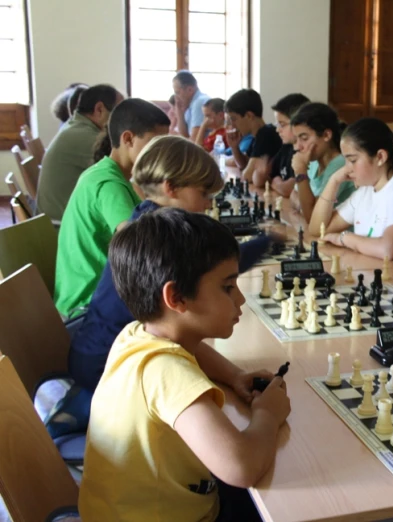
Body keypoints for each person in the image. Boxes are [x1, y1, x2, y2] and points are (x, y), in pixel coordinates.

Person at [47, 136, 283, 437]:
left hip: (91, 350)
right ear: (171, 188)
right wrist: (270, 241)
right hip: (104, 364)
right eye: (203, 193)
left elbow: (183, 339)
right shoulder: (167, 244)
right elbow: (226, 261)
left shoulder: (144, 224)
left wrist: (235, 375)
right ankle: (85, 408)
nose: (209, 203)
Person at [78, 208, 290, 521]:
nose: (240, 299)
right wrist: (268, 414)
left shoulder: (138, 333)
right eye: (228, 287)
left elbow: (193, 351)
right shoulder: (167, 372)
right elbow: (240, 467)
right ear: (177, 297)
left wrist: (235, 375)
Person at [53, 98, 170, 317]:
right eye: (156, 144)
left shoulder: (108, 173)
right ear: (128, 139)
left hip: (94, 300)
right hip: (87, 309)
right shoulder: (108, 184)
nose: (162, 153)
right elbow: (141, 246)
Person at [311, 117, 393, 265]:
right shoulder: (365, 191)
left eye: (353, 160)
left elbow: (388, 250)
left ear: (380, 157)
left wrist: (344, 238)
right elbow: (318, 231)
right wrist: (333, 182)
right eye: (346, 161)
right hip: (372, 271)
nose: (347, 168)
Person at [37, 84, 124, 221]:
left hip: (57, 219)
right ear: (99, 109)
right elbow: (122, 172)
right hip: (60, 226)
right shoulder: (86, 137)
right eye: (119, 113)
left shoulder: (75, 126)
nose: (122, 121)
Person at [289, 102, 354, 221]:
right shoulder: (313, 163)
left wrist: (300, 172)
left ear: (326, 135)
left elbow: (313, 216)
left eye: (304, 138)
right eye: (296, 139)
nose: (298, 146)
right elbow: (293, 194)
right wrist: (304, 205)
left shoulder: (340, 165)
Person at [224, 88, 282, 187]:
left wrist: (247, 171)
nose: (232, 125)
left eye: (234, 119)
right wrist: (234, 147)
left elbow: (247, 176)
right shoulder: (257, 135)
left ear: (249, 115)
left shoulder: (266, 134)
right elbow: (243, 165)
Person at [269, 93, 310, 197]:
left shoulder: (307, 153)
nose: (277, 130)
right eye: (277, 124)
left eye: (282, 125)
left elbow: (288, 190)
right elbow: (268, 175)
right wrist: (278, 184)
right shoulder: (286, 148)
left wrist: (277, 183)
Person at [172, 70, 211, 142]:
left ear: (190, 90)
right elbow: (184, 135)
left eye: (177, 92)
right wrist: (180, 114)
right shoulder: (190, 104)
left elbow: (194, 141)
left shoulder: (199, 102)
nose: (176, 98)